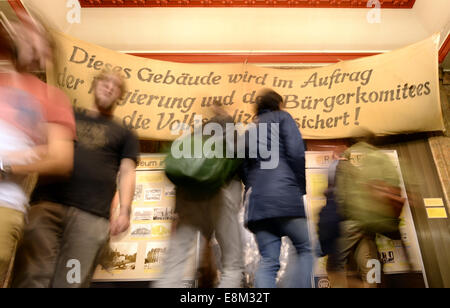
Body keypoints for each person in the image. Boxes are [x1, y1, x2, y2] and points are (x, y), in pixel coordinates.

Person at [12, 71, 139, 288]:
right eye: (105, 81)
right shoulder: (66, 115)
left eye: (115, 86)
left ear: (120, 96)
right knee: (31, 276)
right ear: (94, 85)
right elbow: (37, 148)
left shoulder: (126, 133)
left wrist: (125, 212)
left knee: (72, 281)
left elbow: (128, 171)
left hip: (91, 216)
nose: (109, 87)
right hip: (47, 205)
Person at [0, 18, 76, 287]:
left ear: (46, 53)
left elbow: (60, 158)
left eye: (35, 33)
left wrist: (5, 166)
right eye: (21, 27)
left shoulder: (51, 97)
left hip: (3, 203)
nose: (24, 31)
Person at [155, 104, 244, 288]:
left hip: (187, 199)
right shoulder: (229, 130)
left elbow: (181, 169)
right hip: (218, 197)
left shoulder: (194, 137)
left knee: (176, 259)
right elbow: (237, 163)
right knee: (232, 265)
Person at [242, 88, 312, 288]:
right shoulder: (283, 118)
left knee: (269, 261)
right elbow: (297, 153)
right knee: (306, 248)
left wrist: (254, 188)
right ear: (278, 104)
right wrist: (299, 187)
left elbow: (244, 168)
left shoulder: (250, 129)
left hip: (257, 204)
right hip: (284, 196)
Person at [326, 135, 405, 288]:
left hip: (349, 221)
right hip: (365, 223)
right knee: (368, 263)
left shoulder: (341, 166)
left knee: (334, 264)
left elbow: (340, 197)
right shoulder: (364, 166)